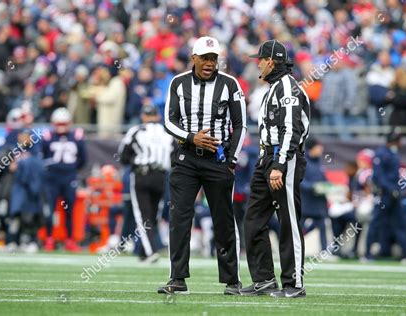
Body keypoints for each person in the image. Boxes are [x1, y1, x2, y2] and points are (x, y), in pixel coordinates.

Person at [158, 36, 247, 295]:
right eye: (205, 58)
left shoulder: (230, 83)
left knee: (224, 219)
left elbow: (240, 124)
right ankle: (177, 278)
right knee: (180, 217)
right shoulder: (178, 82)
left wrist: (231, 160)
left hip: (218, 160)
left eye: (214, 58)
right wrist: (191, 137)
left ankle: (232, 280)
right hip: (186, 157)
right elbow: (168, 120)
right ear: (193, 58)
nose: (209, 63)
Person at [241, 40, 310, 298]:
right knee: (253, 218)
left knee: (288, 220)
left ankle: (294, 284)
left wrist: (279, 164)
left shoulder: (288, 89)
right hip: (267, 158)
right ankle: (264, 279)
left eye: (259, 59)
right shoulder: (272, 89)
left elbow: (291, 130)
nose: (257, 63)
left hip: (284, 159)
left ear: (270, 61)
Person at [118, 105, 175, 263]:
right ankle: (144, 252)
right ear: (157, 116)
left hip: (142, 175)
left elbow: (123, 155)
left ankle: (151, 252)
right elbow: (175, 155)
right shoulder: (167, 132)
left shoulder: (136, 130)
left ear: (143, 116)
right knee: (153, 215)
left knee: (142, 215)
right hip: (161, 176)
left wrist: (136, 162)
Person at [42, 107, 87, 252]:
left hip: (68, 178)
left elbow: (83, 159)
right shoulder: (48, 136)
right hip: (52, 178)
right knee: (50, 209)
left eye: (64, 123)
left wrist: (71, 169)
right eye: (59, 124)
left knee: (69, 209)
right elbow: (42, 157)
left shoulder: (77, 137)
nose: (61, 127)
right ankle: (49, 238)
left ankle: (69, 239)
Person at [363, 130, 406, 261]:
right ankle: (367, 253)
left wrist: (396, 190)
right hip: (384, 195)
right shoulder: (381, 154)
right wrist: (390, 189)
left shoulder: (393, 153)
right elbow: (378, 177)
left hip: (394, 194)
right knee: (376, 223)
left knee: (400, 223)